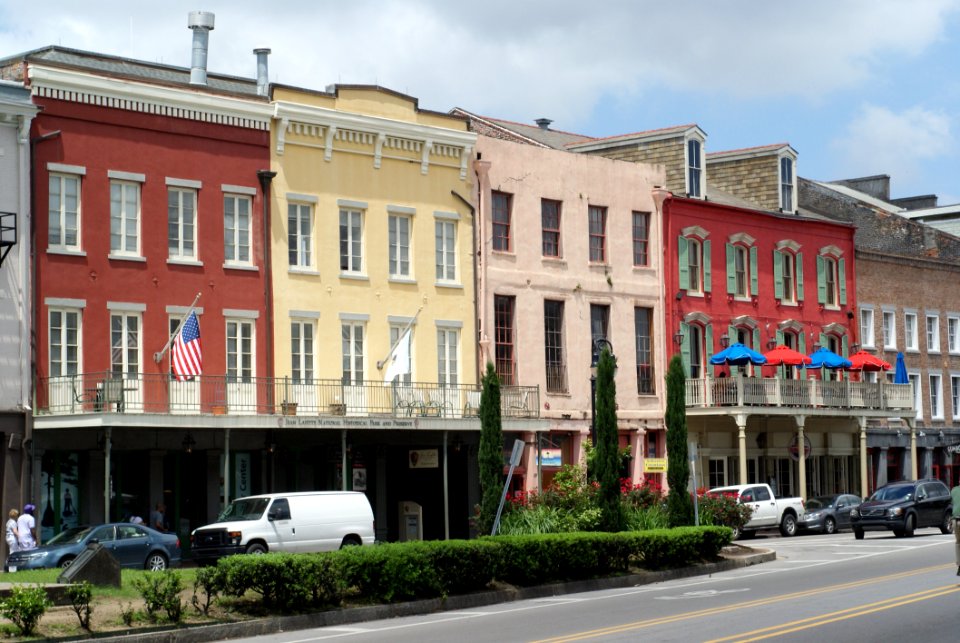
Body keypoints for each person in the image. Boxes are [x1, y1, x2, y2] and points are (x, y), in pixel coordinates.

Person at [952, 482, 960, 575]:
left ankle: (959, 564)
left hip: (955, 520)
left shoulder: (954, 490)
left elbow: (952, 504)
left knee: (958, 542)